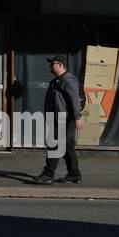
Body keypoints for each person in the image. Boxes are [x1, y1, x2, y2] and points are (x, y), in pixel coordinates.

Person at [35, 54, 83, 184]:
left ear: (60, 65)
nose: (50, 66)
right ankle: (74, 174)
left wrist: (77, 117)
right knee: (67, 147)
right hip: (56, 118)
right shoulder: (56, 81)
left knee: (55, 145)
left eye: (53, 64)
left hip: (65, 119)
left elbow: (75, 100)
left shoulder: (68, 80)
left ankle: (48, 174)